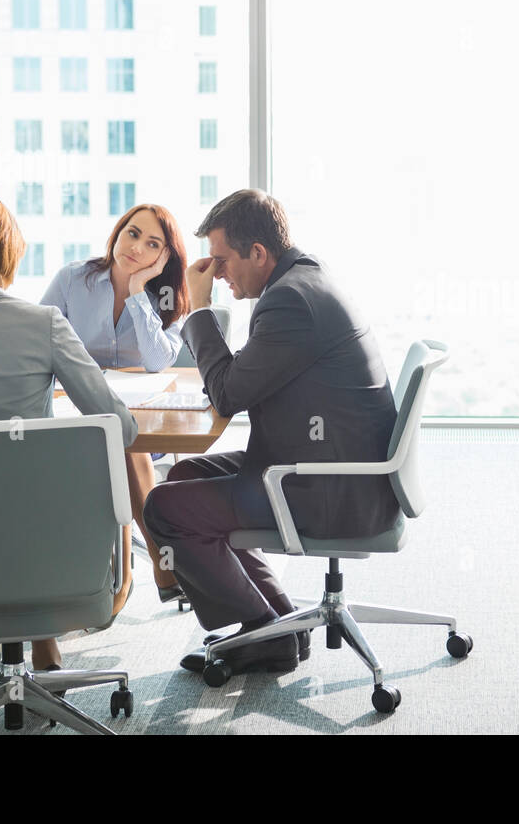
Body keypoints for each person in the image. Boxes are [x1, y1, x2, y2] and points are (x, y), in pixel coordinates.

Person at [144, 189, 400, 675]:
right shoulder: (305, 279)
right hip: (334, 466)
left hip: (330, 489)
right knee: (184, 474)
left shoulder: (289, 302)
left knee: (162, 508)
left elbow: (227, 395)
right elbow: (251, 374)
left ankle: (263, 632)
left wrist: (199, 312)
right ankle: (278, 621)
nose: (216, 273)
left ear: (258, 253)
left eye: (221, 260)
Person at [0, 194, 138, 672]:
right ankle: (44, 641)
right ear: (9, 252)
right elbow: (120, 427)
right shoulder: (43, 324)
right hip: (49, 553)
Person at [41, 204, 190, 606]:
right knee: (115, 436)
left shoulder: (168, 297)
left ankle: (122, 580)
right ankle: (159, 556)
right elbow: (38, 342)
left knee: (121, 438)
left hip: (141, 427)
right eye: (132, 232)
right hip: (75, 415)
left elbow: (159, 361)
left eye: (152, 243)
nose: (136, 246)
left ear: (164, 257)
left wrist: (140, 291)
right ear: (118, 232)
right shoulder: (74, 279)